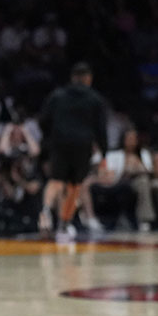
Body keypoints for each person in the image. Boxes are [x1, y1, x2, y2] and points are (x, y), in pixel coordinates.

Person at [37, 62, 108, 242]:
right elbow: (101, 129)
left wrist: (50, 138)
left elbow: (43, 120)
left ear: (72, 77)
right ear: (88, 78)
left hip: (59, 142)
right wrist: (104, 154)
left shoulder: (57, 95)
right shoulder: (95, 98)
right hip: (82, 145)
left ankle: (46, 211)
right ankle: (64, 222)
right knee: (75, 185)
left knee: (55, 180)